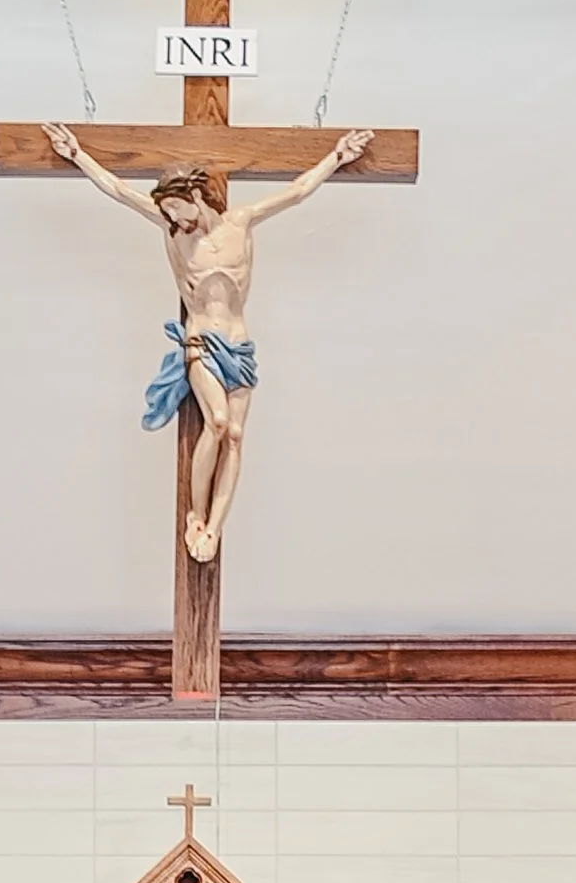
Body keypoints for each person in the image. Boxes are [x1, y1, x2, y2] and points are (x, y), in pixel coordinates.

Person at [41, 122, 373, 564]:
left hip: (239, 346)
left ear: (196, 196)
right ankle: (195, 514)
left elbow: (296, 191)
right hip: (200, 340)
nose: (176, 219)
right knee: (217, 422)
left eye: (179, 209)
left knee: (235, 436)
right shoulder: (172, 232)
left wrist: (338, 157)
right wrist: (77, 154)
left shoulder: (241, 223)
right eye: (170, 213)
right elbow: (120, 191)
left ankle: (215, 527)